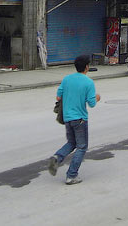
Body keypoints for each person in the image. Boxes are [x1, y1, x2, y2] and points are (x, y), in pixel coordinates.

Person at [48, 54, 101, 185]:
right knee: (82, 147)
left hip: (67, 117)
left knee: (72, 143)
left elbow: (58, 97)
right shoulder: (88, 82)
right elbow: (92, 103)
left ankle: (57, 157)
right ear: (87, 67)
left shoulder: (67, 79)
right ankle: (71, 175)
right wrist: (97, 98)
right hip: (80, 119)